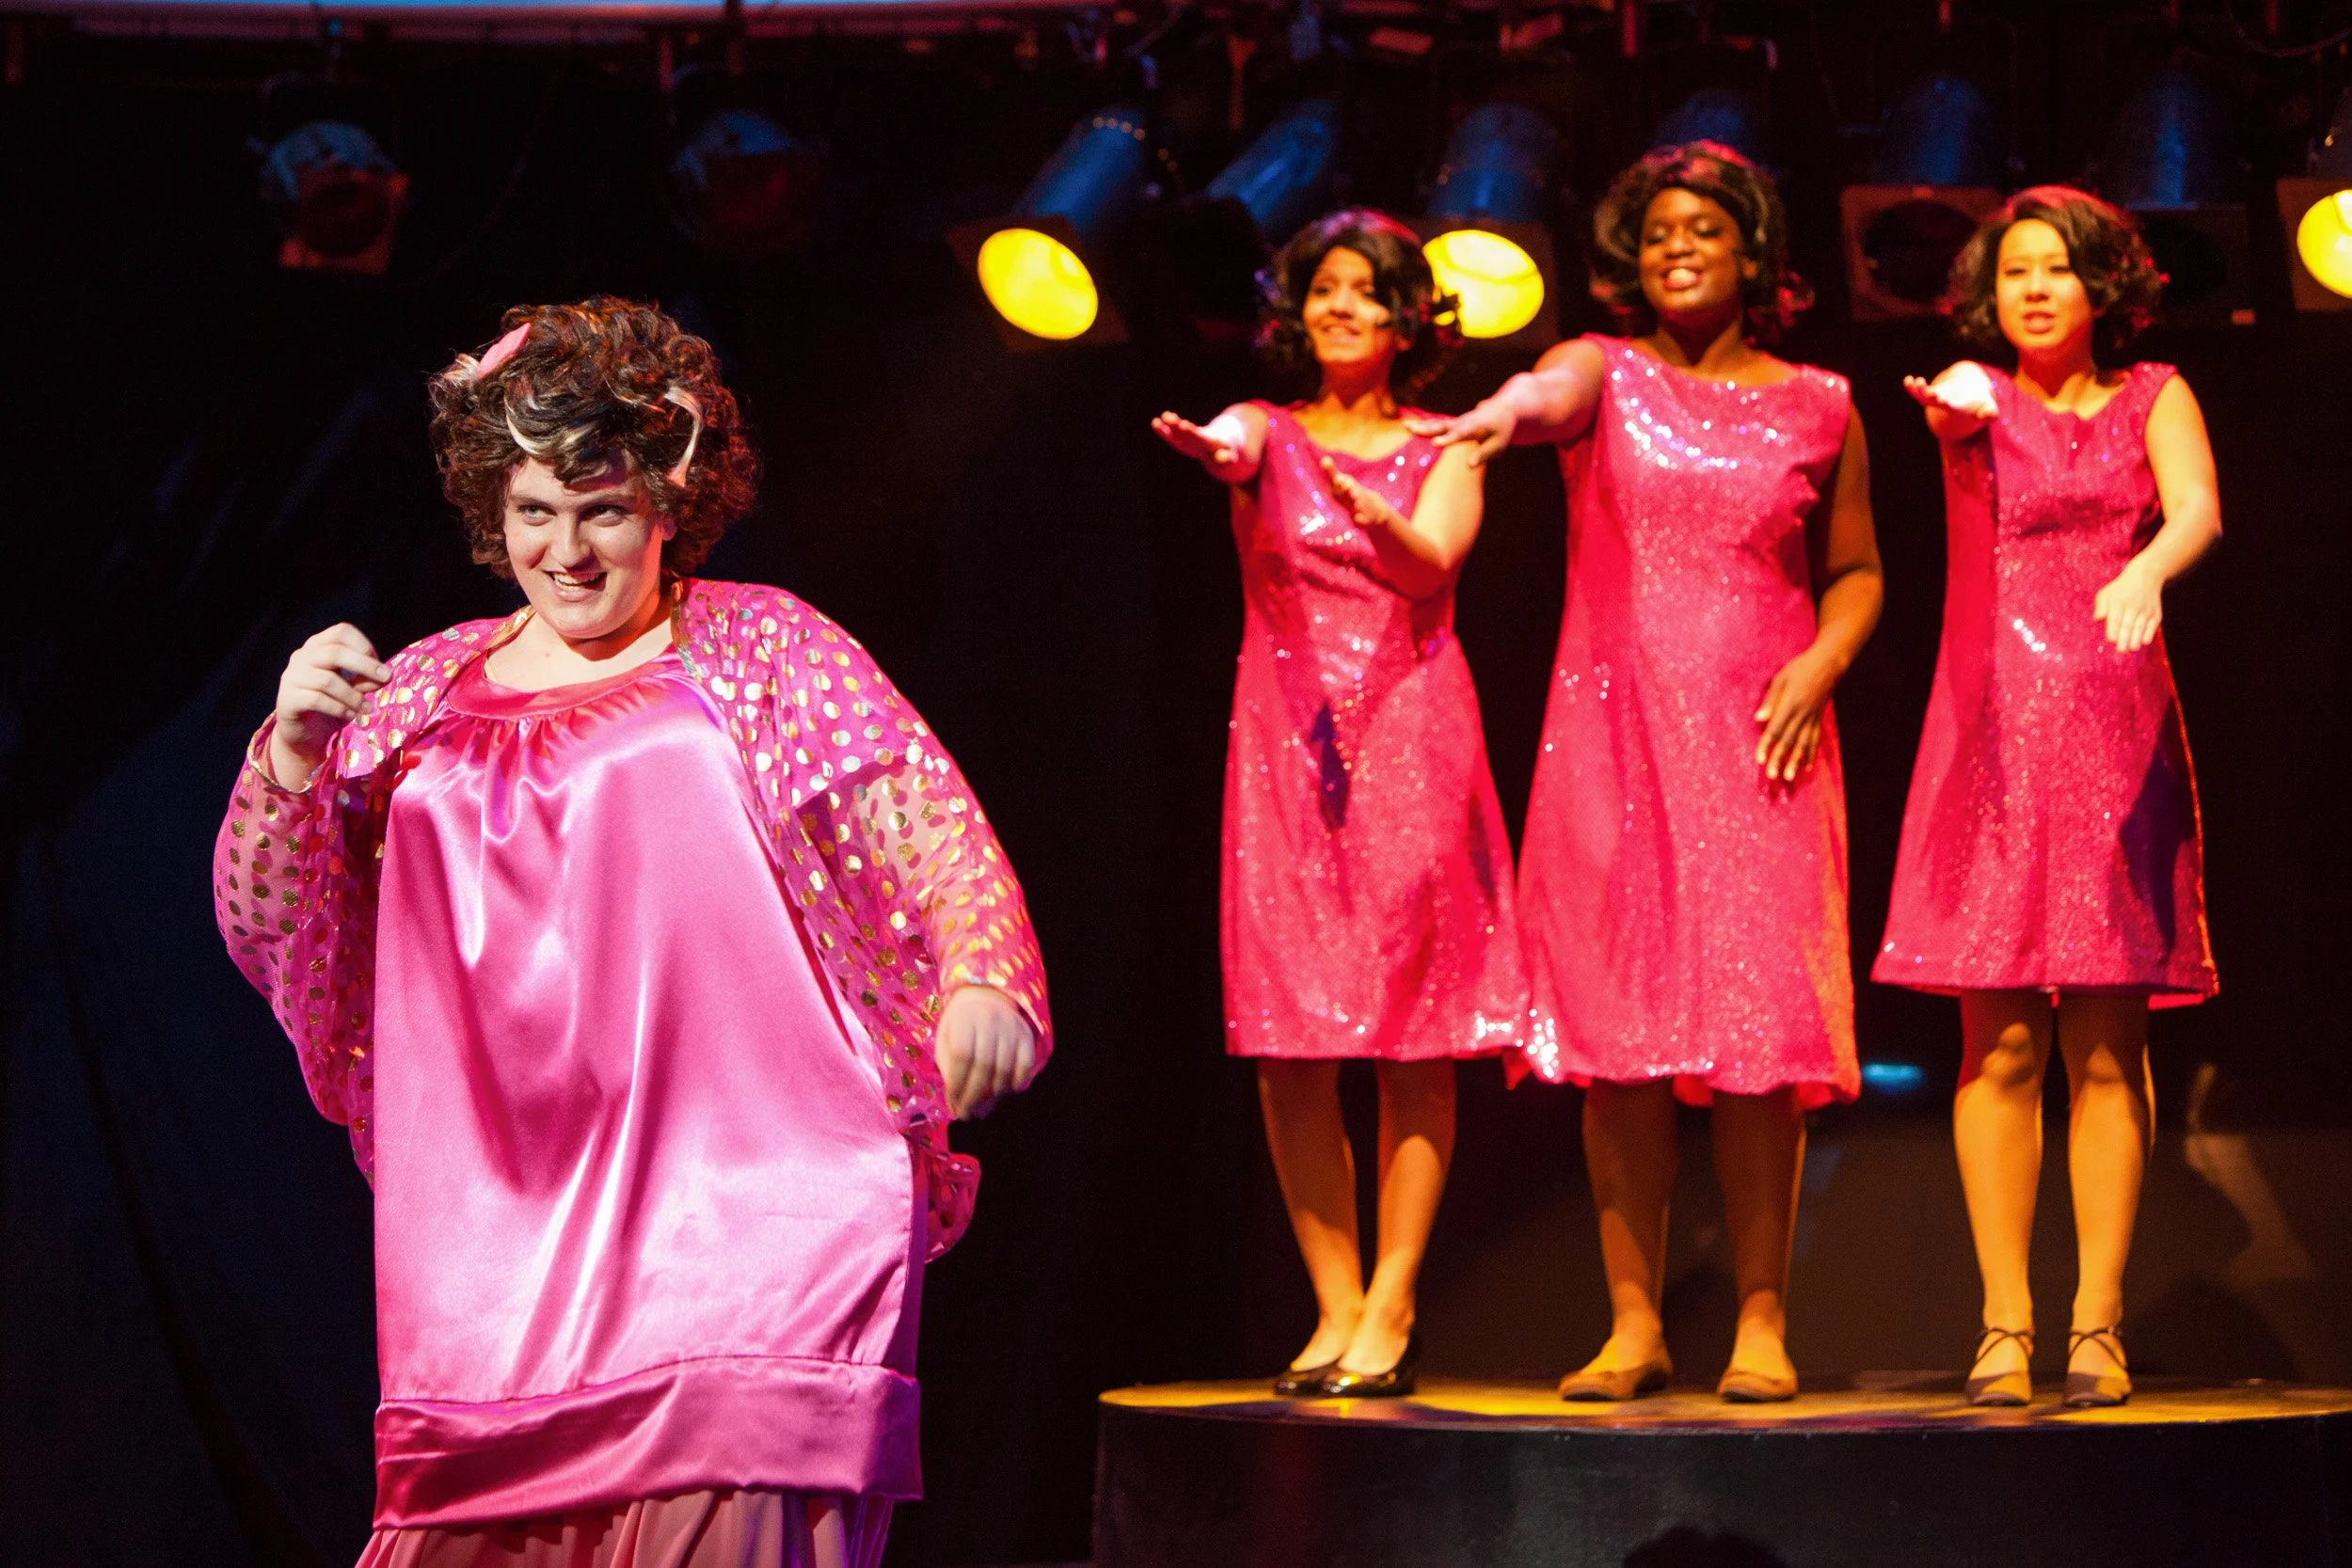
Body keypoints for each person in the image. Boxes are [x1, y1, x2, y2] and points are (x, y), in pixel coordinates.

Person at [213, 298, 1050, 1566]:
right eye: (534, 512)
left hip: (756, 1220)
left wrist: (985, 976)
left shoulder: (762, 647)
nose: (569, 548)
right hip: (491, 1253)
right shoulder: (420, 693)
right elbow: (275, 926)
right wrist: (288, 754)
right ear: (492, 511)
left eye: (601, 508)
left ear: (670, 498)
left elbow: (922, 821)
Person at [1415, 143, 1883, 1403]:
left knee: (1758, 1038)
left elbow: (1858, 572)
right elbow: (1548, 391)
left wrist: (1822, 662)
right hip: (1614, 737)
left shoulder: (1821, 401)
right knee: (1619, 1044)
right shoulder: (1605, 374)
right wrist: (1504, 414)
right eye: (1660, 232)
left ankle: (1765, 1322)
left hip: (1764, 738)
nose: (1680, 248)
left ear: (1753, 256)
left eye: (1707, 231)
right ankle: (1632, 1324)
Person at [1152, 210, 1527, 1398]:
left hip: (1411, 733)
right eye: (1323, 290)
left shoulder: (1447, 441)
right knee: (1290, 1038)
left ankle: (1395, 1293)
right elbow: (1229, 444)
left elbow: (1431, 568)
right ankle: (1333, 1300)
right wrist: (1214, 452)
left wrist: (1383, 517)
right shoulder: (1267, 430)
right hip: (1282, 743)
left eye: (1366, 291)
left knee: (1412, 1036)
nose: (1341, 307)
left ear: (1407, 315)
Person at [1877, 188, 2220, 1409]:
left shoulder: (2152, 393)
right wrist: (1955, 411)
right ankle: (2006, 1320)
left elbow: (2198, 511)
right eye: (2014, 270)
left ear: (2101, 291)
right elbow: (1954, 415)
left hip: (2117, 728)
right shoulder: (1976, 396)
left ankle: (2099, 1321)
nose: (2033, 289)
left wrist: (2147, 566)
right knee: (2002, 1040)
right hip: (1993, 734)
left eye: (2058, 270)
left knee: (2110, 1046)